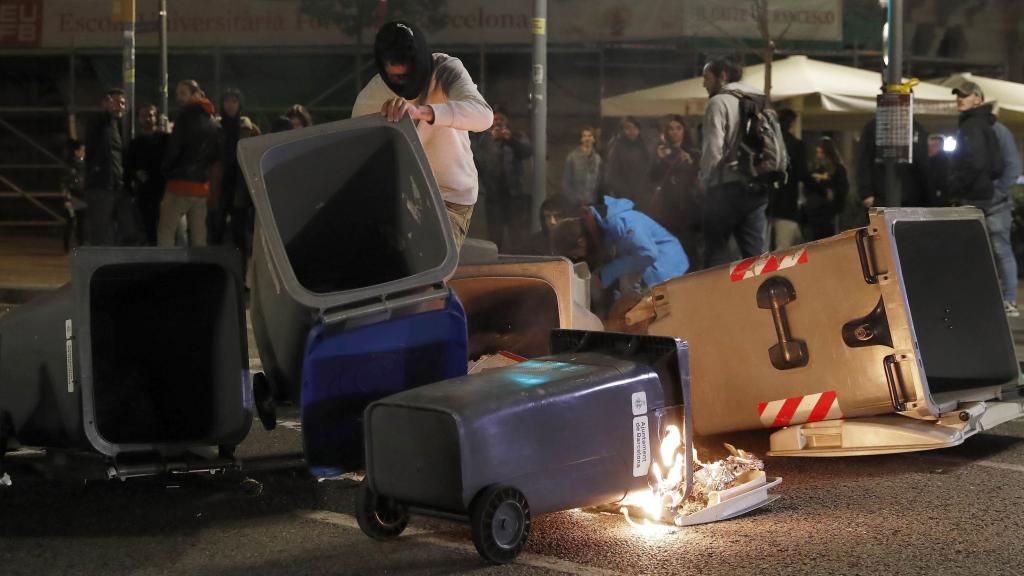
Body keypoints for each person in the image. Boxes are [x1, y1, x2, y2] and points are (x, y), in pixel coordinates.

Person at [352, 20, 493, 252]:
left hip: (450, 197)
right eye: (396, 78)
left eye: (409, 74)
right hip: (403, 198)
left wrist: (422, 112)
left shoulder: (446, 70)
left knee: (433, 267)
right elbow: (355, 155)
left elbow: (483, 116)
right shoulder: (371, 97)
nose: (404, 83)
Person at [948, 81, 1021, 316]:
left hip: (991, 201)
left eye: (965, 95)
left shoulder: (988, 129)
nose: (960, 99)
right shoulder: (982, 127)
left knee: (998, 250)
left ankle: (1008, 300)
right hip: (987, 199)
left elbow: (1011, 166)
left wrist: (996, 193)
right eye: (959, 95)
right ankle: (1000, 300)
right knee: (994, 250)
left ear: (978, 99)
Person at [552, 195, 688, 305]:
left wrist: (606, 274)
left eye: (573, 254)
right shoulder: (600, 228)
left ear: (580, 242)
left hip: (667, 269)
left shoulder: (620, 223)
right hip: (649, 275)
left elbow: (647, 254)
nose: (576, 257)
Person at [698, 57, 769, 267]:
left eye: (707, 78)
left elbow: (713, 150)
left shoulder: (718, 102)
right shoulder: (760, 98)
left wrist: (704, 180)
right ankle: (759, 297)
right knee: (755, 256)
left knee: (716, 254)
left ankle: (715, 299)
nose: (704, 84)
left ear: (723, 76)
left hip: (725, 188)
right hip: (758, 187)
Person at [158, 79, 221, 247]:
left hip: (179, 184)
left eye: (183, 94)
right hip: (201, 186)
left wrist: (165, 169)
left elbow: (174, 148)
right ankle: (199, 270)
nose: (179, 98)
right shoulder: (212, 121)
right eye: (178, 93)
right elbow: (215, 154)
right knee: (199, 235)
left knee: (166, 232)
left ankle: (165, 268)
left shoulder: (185, 117)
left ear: (195, 95)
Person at [84, 88, 138, 245]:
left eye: (123, 103)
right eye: (116, 102)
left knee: (127, 228)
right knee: (102, 232)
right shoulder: (100, 122)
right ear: (105, 103)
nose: (120, 106)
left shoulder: (118, 126)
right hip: (101, 185)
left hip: (116, 185)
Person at [475, 107, 532, 250]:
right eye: (495, 120)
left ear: (507, 121)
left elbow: (527, 152)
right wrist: (490, 142)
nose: (498, 123)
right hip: (493, 196)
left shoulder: (516, 136)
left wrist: (510, 139)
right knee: (495, 236)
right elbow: (478, 162)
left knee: (517, 234)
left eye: (501, 119)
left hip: (514, 195)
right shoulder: (484, 139)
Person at [649, 115, 701, 268]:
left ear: (684, 130)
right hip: (667, 211)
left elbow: (700, 177)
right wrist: (660, 159)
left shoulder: (694, 153)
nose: (675, 132)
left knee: (690, 251)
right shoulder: (662, 152)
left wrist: (690, 163)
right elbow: (652, 177)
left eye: (678, 128)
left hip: (688, 209)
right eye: (671, 129)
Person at [856, 117, 930, 209]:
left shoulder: (917, 128)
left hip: (912, 198)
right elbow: (864, 160)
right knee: (882, 221)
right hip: (882, 196)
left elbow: (924, 165)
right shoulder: (874, 127)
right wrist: (865, 193)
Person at [124, 103, 169, 245]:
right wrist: (136, 174)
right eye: (143, 116)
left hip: (164, 190)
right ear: (138, 119)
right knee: (148, 225)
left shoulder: (166, 140)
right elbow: (128, 166)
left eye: (150, 115)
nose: (147, 119)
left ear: (156, 117)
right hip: (145, 191)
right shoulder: (134, 144)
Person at [208, 88, 245, 245]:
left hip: (240, 185)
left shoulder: (247, 129)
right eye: (226, 101)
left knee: (240, 233)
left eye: (234, 101)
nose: (230, 105)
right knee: (216, 229)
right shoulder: (214, 128)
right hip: (218, 184)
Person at [769, 109, 807, 249]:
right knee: (784, 251)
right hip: (787, 204)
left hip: (767, 203)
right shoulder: (796, 145)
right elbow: (803, 173)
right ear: (792, 123)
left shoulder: (770, 143)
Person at [803, 137, 849, 241]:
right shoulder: (814, 169)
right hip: (814, 214)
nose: (819, 156)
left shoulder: (838, 170)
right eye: (817, 153)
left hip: (830, 215)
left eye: (822, 153)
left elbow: (842, 190)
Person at [605, 116, 651, 205]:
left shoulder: (643, 147)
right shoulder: (617, 147)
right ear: (623, 130)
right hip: (624, 197)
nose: (632, 131)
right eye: (628, 128)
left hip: (642, 197)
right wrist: (622, 193)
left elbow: (648, 171)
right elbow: (612, 174)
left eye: (634, 128)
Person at [562, 126, 602, 207]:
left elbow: (600, 182)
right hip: (576, 204)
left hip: (593, 204)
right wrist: (574, 200)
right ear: (581, 139)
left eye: (590, 136)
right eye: (584, 136)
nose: (587, 139)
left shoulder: (598, 159)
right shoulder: (572, 157)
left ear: (593, 139)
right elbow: (566, 183)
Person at [61, 139, 87, 252]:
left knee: (82, 224)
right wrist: (66, 199)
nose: (83, 153)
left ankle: (81, 245)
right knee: (71, 223)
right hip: (73, 197)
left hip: (83, 197)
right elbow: (64, 184)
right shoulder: (70, 167)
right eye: (82, 150)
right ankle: (66, 246)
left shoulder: (86, 165)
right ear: (76, 152)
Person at [925, 134, 952, 207]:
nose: (930, 148)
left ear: (941, 147)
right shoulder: (927, 161)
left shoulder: (944, 162)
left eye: (934, 146)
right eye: (928, 146)